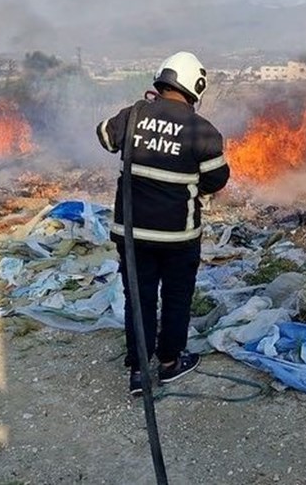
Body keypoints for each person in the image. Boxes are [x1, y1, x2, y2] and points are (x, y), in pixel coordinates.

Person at [96, 51, 230, 395]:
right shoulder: (203, 130)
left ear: (162, 79)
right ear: (194, 87)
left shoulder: (135, 114)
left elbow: (105, 137)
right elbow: (216, 180)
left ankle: (139, 372)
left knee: (138, 298)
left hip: (132, 233)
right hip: (178, 236)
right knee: (176, 297)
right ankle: (170, 364)